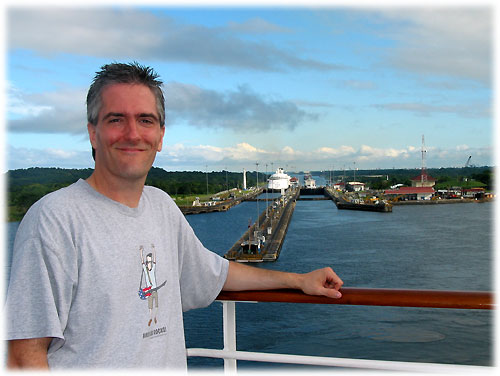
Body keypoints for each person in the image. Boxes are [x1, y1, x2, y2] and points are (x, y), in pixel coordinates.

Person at [5, 62, 343, 370]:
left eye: (145, 120)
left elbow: (216, 273)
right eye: (115, 119)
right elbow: (24, 356)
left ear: (161, 136)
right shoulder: (54, 219)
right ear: (93, 132)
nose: (133, 133)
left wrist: (297, 280)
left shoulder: (161, 206)